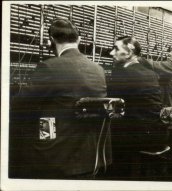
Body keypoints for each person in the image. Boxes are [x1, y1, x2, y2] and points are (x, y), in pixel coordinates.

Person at [10, 18, 107, 179]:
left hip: (55, 158)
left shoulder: (49, 66)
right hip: (90, 157)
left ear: (51, 41)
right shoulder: (98, 69)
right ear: (79, 40)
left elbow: (20, 105)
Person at [108, 36, 165, 179]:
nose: (111, 53)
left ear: (129, 53)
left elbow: (111, 102)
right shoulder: (150, 73)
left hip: (136, 136)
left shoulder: (122, 72)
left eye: (116, 48)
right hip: (156, 133)